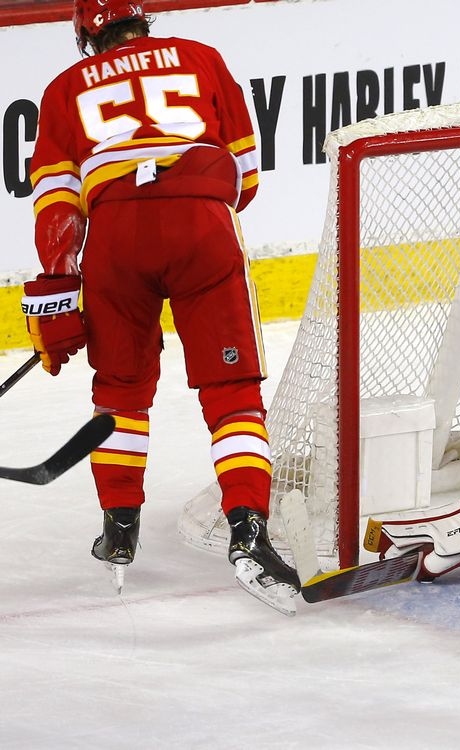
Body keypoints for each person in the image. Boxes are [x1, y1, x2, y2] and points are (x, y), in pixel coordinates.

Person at [22, 0, 299, 614]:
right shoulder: (202, 59)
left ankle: (119, 527)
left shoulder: (65, 87)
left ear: (87, 38)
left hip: (116, 236)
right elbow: (246, 176)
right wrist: (190, 211)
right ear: (143, 21)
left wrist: (59, 289)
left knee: (120, 386)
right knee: (232, 391)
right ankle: (249, 534)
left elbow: (58, 207)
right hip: (202, 220)